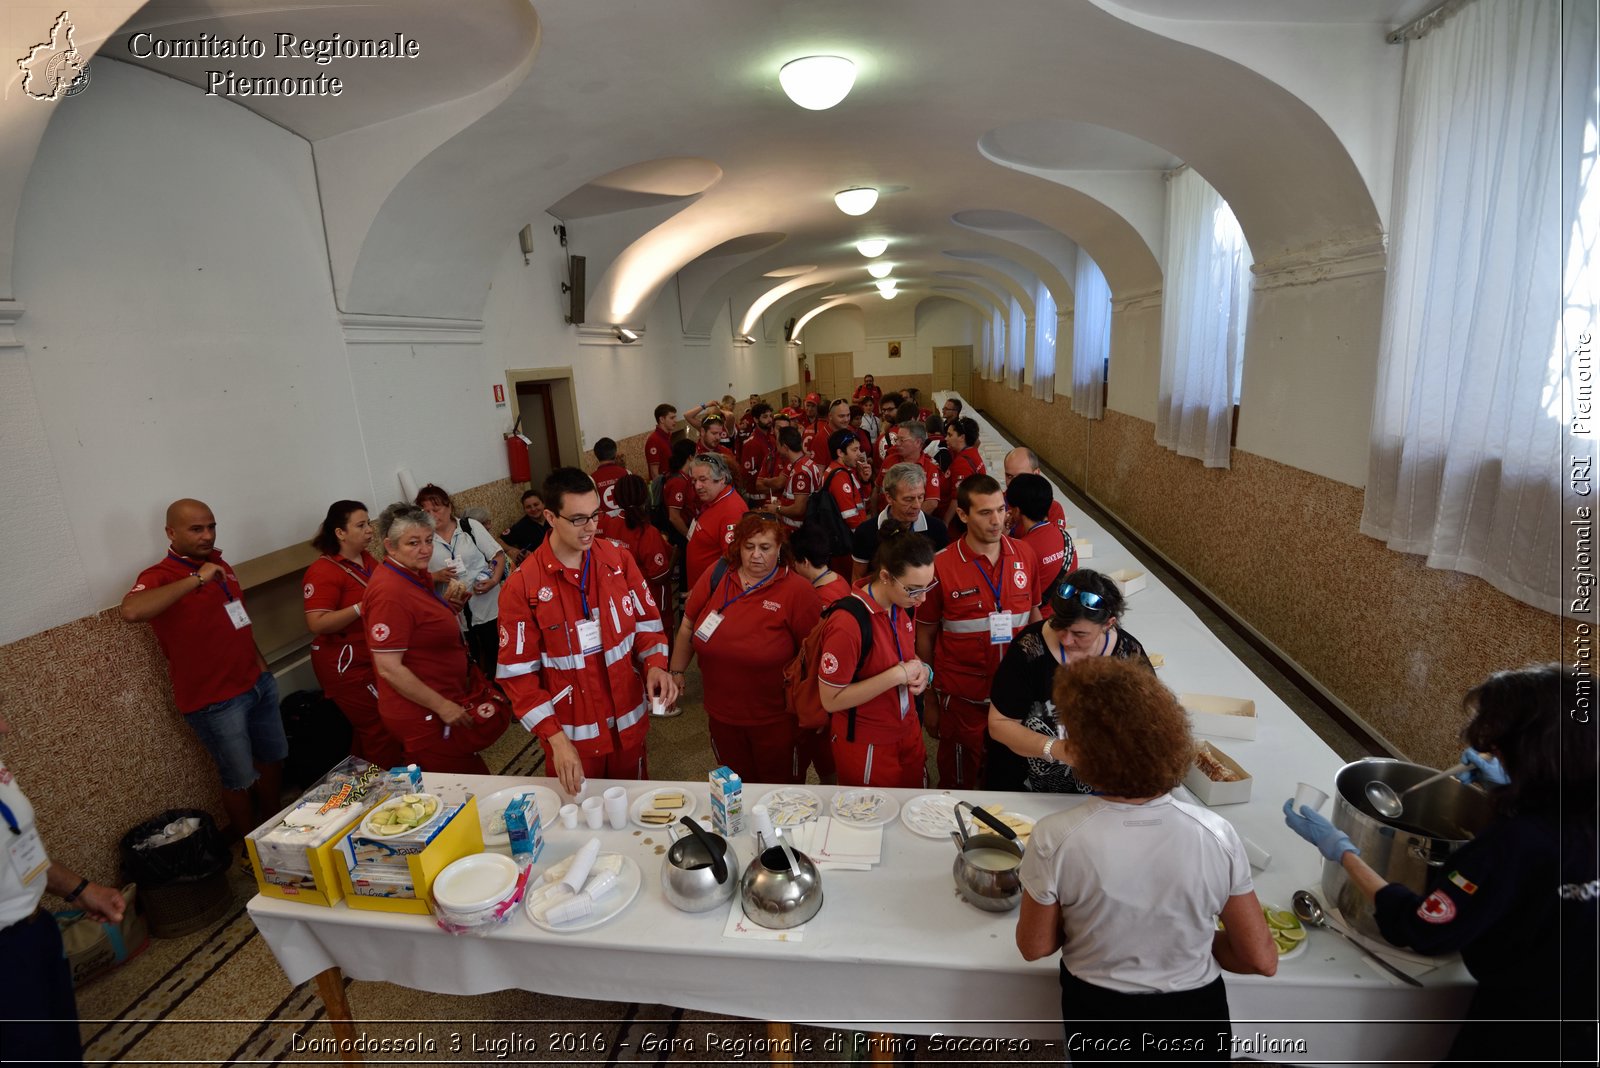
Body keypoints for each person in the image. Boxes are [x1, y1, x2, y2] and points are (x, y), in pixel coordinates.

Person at [1283, 664, 1598, 1064]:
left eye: (1499, 749)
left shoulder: (1509, 845)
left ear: (1530, 752)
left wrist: (1342, 850)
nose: (1492, 752)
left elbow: (1422, 929)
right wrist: (1506, 785)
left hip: (1527, 1028)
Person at [1016, 658, 1277, 1059]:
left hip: (1100, 1016)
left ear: (1084, 750)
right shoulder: (1217, 834)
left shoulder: (1056, 835)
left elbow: (1035, 946)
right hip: (1195, 1017)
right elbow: (1260, 958)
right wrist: (1188, 943)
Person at [496, 468, 677, 792]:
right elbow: (518, 676)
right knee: (582, 828)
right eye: (578, 519)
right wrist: (555, 739)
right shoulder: (523, 586)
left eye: (595, 515)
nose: (591, 526)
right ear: (551, 517)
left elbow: (648, 626)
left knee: (635, 814)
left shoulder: (618, 560)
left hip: (628, 727)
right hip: (571, 738)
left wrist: (656, 667)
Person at [120, 499, 287, 838]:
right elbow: (131, 611)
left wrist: (263, 669)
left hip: (256, 684)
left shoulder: (219, 563)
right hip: (215, 702)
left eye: (211, 526)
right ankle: (250, 847)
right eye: (196, 529)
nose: (207, 535)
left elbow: (236, 618)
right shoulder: (159, 576)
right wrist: (196, 579)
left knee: (272, 759)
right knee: (238, 779)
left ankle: (276, 825)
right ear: (171, 532)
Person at [1, 706, 127, 1065]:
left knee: (63, 1052)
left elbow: (19, 847)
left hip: (35, 932)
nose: (6, 727)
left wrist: (82, 890)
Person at [669, 513, 822, 783]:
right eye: (749, 546)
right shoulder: (718, 575)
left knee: (778, 792)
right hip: (722, 715)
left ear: (780, 549)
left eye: (765, 548)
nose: (756, 555)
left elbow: (812, 657)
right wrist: (677, 671)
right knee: (734, 788)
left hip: (776, 721)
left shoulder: (797, 591)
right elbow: (688, 626)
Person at [916, 474, 1042, 789]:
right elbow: (925, 635)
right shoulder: (941, 567)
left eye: (1001, 510)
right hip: (962, 703)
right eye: (986, 513)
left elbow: (1035, 618)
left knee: (1009, 785)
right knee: (957, 784)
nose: (997, 520)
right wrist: (929, 701)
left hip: (1015, 703)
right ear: (962, 515)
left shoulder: (1025, 556)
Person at [363, 503, 507, 773]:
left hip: (443, 696)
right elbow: (388, 667)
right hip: (423, 712)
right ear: (390, 546)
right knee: (465, 784)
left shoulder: (414, 575)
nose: (425, 549)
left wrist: (448, 610)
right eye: (413, 543)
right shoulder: (389, 591)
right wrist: (442, 706)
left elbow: (418, 629)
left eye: (428, 540)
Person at [984, 570, 1153, 793]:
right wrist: (1055, 748)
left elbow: (1148, 725)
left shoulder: (1128, 655)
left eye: (1080, 634)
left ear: (1108, 624)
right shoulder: (1029, 650)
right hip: (1029, 786)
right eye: (1059, 625)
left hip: (1103, 790)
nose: (1066, 639)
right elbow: (999, 724)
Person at [817, 531, 936, 789]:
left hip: (907, 729)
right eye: (914, 589)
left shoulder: (904, 604)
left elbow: (903, 654)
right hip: (867, 741)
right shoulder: (848, 623)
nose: (923, 598)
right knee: (871, 820)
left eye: (929, 586)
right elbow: (830, 699)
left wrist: (924, 670)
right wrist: (897, 675)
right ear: (885, 577)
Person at [301, 500, 404, 770]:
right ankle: (390, 790)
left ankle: (361, 785)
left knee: (373, 727)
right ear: (340, 533)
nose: (369, 530)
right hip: (345, 664)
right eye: (361, 525)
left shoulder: (367, 560)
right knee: (380, 727)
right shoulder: (323, 570)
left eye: (369, 523)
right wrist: (360, 607)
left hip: (371, 654)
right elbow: (317, 623)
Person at [415, 484, 508, 675]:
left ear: (449, 507)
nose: (432, 515)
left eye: (436, 509)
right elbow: (415, 580)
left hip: (488, 606)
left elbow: (497, 556)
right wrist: (436, 577)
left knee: (498, 656)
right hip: (454, 614)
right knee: (469, 663)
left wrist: (493, 580)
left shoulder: (469, 527)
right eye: (425, 511)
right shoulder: (422, 539)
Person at [598, 474, 675, 654]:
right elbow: (659, 574)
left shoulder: (607, 524)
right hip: (650, 602)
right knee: (657, 646)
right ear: (645, 497)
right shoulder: (647, 532)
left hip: (620, 599)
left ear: (615, 498)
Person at [851, 462, 948, 582]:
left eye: (921, 497)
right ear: (889, 498)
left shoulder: (937, 529)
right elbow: (858, 578)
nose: (917, 505)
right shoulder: (866, 532)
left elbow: (943, 574)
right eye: (909, 499)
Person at [1006, 474, 1073, 611]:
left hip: (1040, 621)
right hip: (1065, 613)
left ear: (1016, 511)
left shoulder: (1021, 550)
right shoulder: (1065, 537)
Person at [684, 452, 748, 589]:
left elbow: (732, 564)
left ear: (722, 479)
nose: (697, 486)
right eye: (694, 480)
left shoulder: (731, 511)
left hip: (712, 594)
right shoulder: (712, 500)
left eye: (703, 479)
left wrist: (704, 592)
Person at [1002, 446, 1070, 536]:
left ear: (1036, 474)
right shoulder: (997, 504)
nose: (1014, 483)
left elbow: (1051, 544)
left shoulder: (1052, 509)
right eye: (1009, 476)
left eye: (1021, 477)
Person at [881, 419, 942, 515]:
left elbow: (931, 503)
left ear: (918, 442)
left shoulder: (930, 467)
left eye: (902, 440)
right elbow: (877, 490)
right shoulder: (889, 460)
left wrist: (908, 518)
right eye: (897, 439)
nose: (897, 443)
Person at [771, 426, 823, 529]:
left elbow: (799, 509)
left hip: (796, 531)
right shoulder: (807, 463)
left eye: (777, 444)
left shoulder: (800, 472)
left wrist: (777, 509)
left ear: (785, 447)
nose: (776, 449)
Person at [940, 416, 986, 524]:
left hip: (955, 524)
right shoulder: (973, 452)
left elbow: (957, 498)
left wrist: (945, 523)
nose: (946, 438)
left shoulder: (961, 463)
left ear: (962, 437)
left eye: (950, 435)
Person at [739, 402, 777, 506]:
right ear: (756, 419)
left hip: (770, 494)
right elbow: (747, 475)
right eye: (765, 417)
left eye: (770, 416)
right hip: (758, 499)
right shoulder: (751, 443)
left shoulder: (772, 438)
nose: (769, 420)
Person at [501, 489, 549, 562]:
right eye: (528, 507)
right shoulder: (520, 527)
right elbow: (498, 541)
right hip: (537, 563)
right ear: (524, 509)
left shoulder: (554, 517)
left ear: (543, 504)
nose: (533, 509)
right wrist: (512, 550)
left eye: (536, 504)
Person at [808, 399, 854, 468]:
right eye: (841, 416)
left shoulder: (850, 430)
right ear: (830, 416)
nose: (846, 420)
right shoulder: (821, 438)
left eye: (848, 415)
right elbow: (819, 471)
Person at [591, 437, 629, 516]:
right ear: (615, 454)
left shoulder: (592, 479)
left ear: (596, 456)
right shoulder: (625, 473)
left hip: (605, 524)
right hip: (626, 520)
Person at [645, 403, 677, 479]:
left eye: (675, 418)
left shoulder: (666, 436)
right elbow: (654, 473)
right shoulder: (654, 440)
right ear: (662, 419)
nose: (675, 421)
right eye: (672, 418)